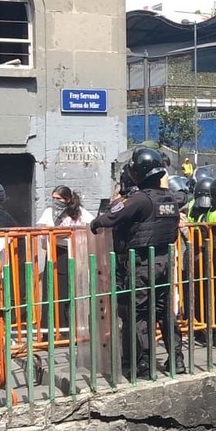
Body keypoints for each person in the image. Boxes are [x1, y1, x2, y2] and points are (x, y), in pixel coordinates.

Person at [89, 147, 183, 378]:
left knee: (138, 313)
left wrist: (95, 223)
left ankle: (143, 364)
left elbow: (111, 217)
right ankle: (177, 360)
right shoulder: (170, 197)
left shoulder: (140, 200)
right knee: (164, 312)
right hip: (164, 260)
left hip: (142, 263)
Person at [35, 186, 95, 329]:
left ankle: (72, 328)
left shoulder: (79, 212)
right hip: (57, 253)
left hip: (76, 254)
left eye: (59, 198)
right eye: (53, 198)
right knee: (54, 292)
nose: (55, 201)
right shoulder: (50, 212)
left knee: (74, 291)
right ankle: (52, 329)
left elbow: (92, 223)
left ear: (67, 199)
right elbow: (43, 231)